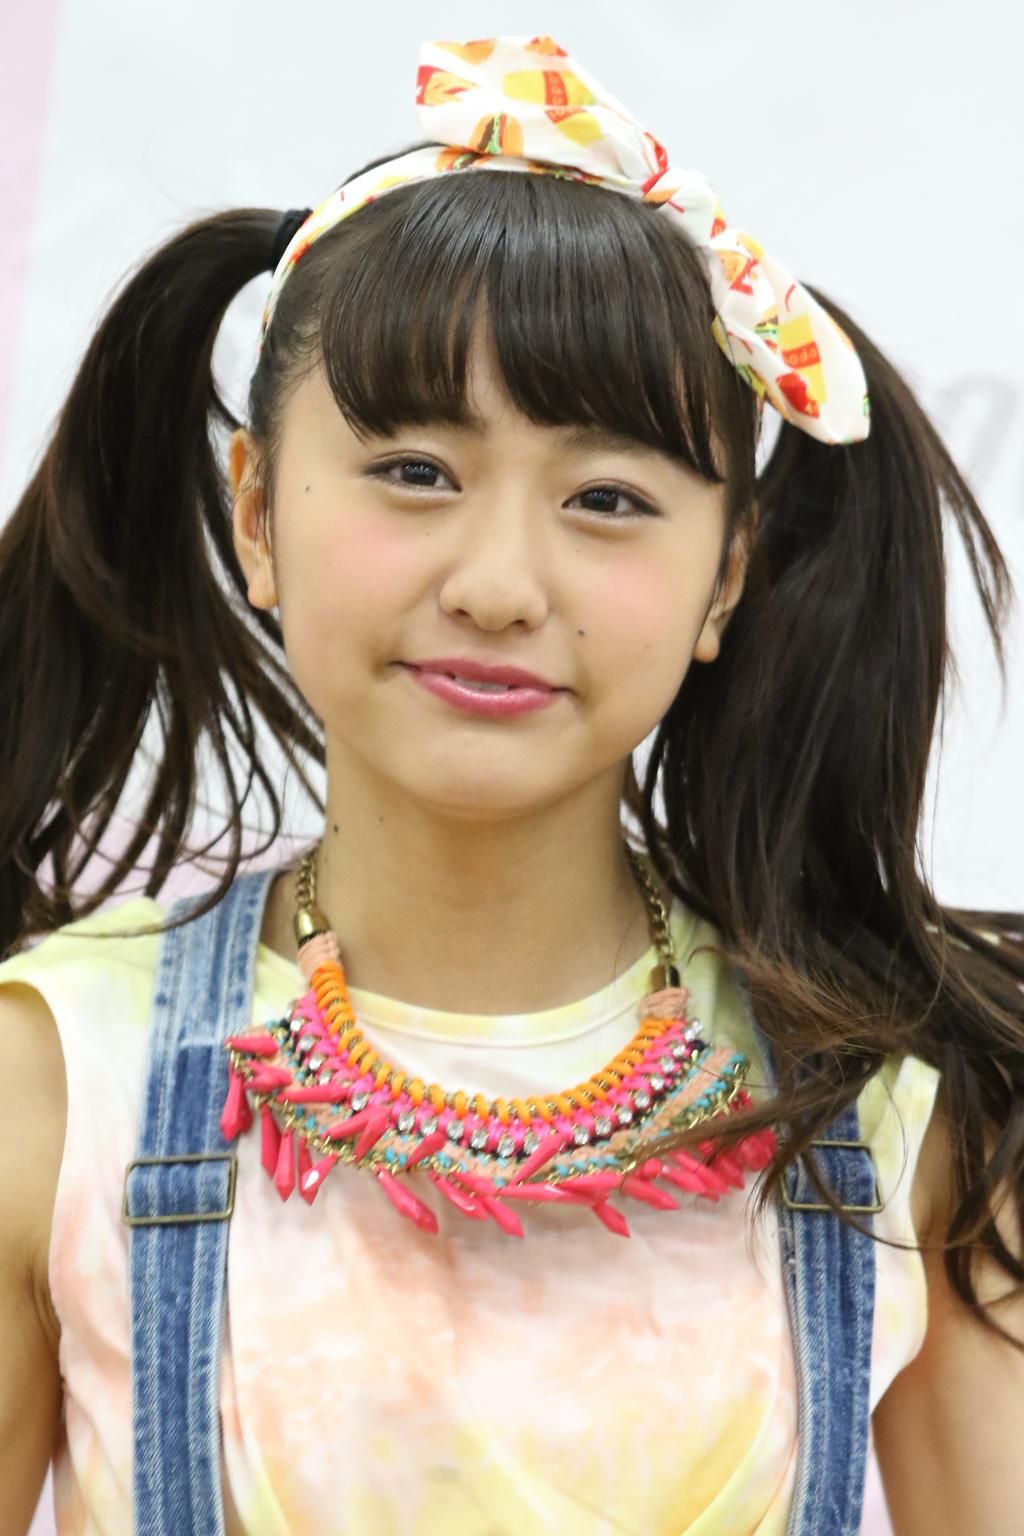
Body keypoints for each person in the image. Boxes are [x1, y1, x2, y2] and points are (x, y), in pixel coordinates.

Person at [1, 30, 1022, 1536]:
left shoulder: (904, 1112)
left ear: (725, 576)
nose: (497, 584)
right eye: (416, 471)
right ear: (259, 512)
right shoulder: (51, 1082)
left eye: (607, 498)